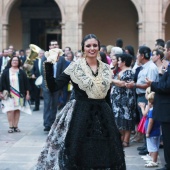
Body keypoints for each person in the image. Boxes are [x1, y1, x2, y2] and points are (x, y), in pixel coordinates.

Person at [34, 34, 126, 169]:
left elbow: (106, 97)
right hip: (81, 115)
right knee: (80, 153)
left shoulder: (106, 69)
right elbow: (53, 87)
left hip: (103, 116)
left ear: (99, 47)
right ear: (83, 48)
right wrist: (49, 64)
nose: (92, 48)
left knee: (105, 153)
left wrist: (111, 120)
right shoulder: (74, 67)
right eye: (88, 46)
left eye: (95, 45)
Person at [146, 40, 170, 170]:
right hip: (165, 110)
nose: (165, 52)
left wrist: (153, 84)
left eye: (166, 49)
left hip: (167, 111)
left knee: (168, 140)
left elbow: (167, 86)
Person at [0, 56, 30, 133]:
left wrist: (27, 94)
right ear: (11, 61)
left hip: (19, 95)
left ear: (19, 62)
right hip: (8, 94)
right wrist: (0, 93)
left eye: (16, 60)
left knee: (17, 110)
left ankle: (15, 126)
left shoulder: (22, 72)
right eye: (13, 60)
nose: (15, 61)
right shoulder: (6, 72)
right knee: (9, 110)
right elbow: (1, 83)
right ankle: (10, 126)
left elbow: (26, 83)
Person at [111, 53, 136, 147]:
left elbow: (123, 84)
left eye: (119, 60)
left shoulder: (129, 72)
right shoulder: (120, 71)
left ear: (124, 62)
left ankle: (126, 140)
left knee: (127, 118)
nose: (118, 62)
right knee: (119, 119)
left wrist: (112, 80)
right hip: (118, 99)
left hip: (126, 99)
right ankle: (121, 139)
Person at [138, 88, 160, 168]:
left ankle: (154, 161)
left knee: (152, 147)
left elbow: (151, 122)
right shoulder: (157, 109)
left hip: (151, 132)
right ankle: (153, 159)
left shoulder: (151, 111)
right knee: (155, 146)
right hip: (156, 132)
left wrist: (147, 132)